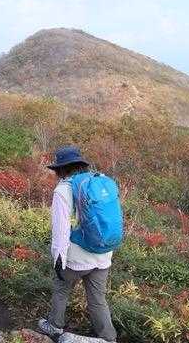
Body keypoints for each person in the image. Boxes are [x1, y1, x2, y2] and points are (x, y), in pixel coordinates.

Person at [37, 146, 118, 342]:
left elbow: (61, 229)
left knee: (61, 288)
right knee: (98, 299)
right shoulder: (98, 180)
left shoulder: (64, 189)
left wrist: (58, 258)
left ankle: (54, 326)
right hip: (103, 253)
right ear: (80, 165)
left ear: (61, 169)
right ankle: (108, 337)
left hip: (78, 256)